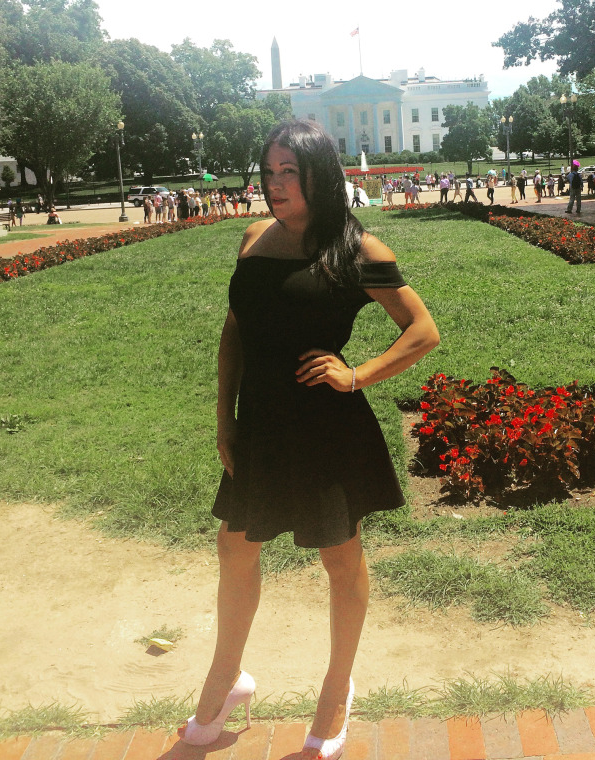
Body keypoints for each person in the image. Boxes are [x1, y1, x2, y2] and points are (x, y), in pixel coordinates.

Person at [177, 120, 439, 759]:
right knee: (235, 545)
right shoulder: (252, 240)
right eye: (268, 172)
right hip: (261, 422)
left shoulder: (357, 250)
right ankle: (227, 677)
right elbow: (234, 332)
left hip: (325, 428)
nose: (274, 185)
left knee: (338, 556)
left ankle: (336, 685)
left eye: (288, 172)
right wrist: (224, 417)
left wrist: (357, 375)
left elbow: (422, 330)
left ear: (319, 174)